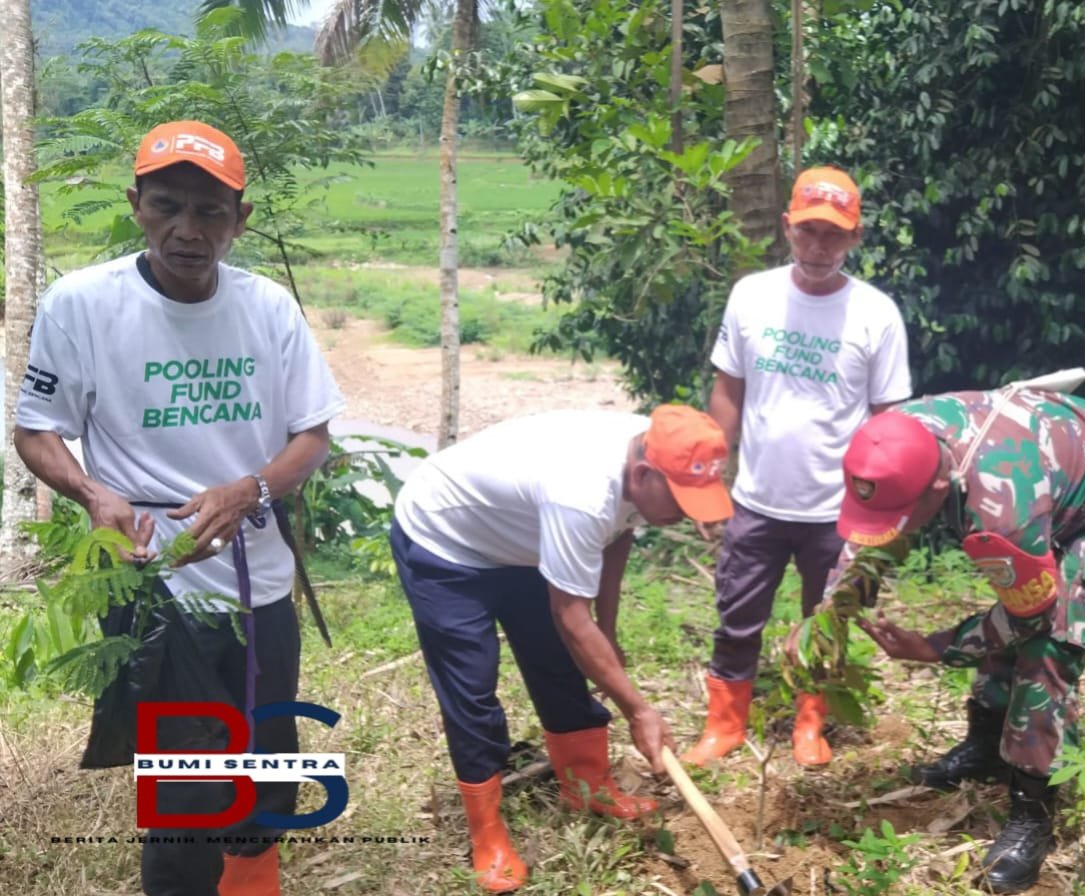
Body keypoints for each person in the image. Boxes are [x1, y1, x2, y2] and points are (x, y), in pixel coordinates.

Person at [14, 120, 345, 896]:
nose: (186, 231)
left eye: (210, 213)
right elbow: (36, 432)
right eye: (167, 206)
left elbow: (312, 435)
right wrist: (95, 493)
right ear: (136, 204)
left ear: (242, 219)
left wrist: (249, 490)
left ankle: (253, 879)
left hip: (257, 577)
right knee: (186, 788)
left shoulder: (267, 310)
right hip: (154, 586)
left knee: (268, 759)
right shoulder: (81, 305)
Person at [822, 387, 1085, 893]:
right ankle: (986, 746)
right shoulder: (890, 438)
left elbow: (1028, 615)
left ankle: (1033, 810)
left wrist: (936, 647)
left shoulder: (1002, 508)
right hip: (1053, 467)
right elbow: (871, 530)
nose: (891, 529)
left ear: (939, 485)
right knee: (1015, 606)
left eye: (901, 518)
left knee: (1050, 643)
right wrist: (832, 608)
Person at [388, 404, 733, 893]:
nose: (682, 513)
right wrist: (638, 711)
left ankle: (587, 785)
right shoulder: (582, 492)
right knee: (472, 684)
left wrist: (607, 632)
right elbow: (572, 617)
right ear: (643, 473)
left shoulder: (650, 447)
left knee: (560, 662)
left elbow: (619, 532)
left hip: (523, 539)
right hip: (446, 542)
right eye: (679, 499)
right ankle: (487, 832)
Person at [683, 165, 911, 768]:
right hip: (757, 500)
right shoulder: (752, 296)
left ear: (855, 238)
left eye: (833, 236)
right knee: (737, 618)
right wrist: (710, 480)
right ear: (787, 228)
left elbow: (890, 422)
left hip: (838, 512)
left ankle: (811, 723)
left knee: (828, 621)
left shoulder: (876, 314)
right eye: (808, 232)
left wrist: (883, 512)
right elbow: (727, 391)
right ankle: (725, 724)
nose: (818, 248)